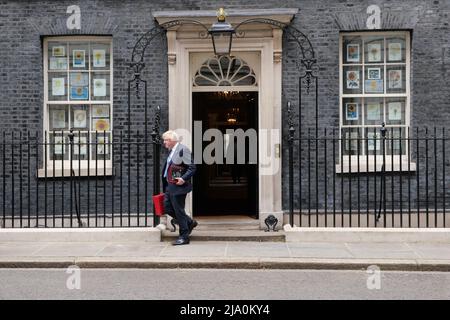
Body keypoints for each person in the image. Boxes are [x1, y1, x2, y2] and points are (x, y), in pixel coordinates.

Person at [161, 130, 197, 245]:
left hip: (178, 186)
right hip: (169, 185)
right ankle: (189, 222)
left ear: (171, 140)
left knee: (179, 210)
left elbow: (192, 167)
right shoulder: (172, 151)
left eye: (165, 140)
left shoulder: (182, 150)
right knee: (167, 208)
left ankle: (184, 236)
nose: (164, 143)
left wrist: (183, 179)